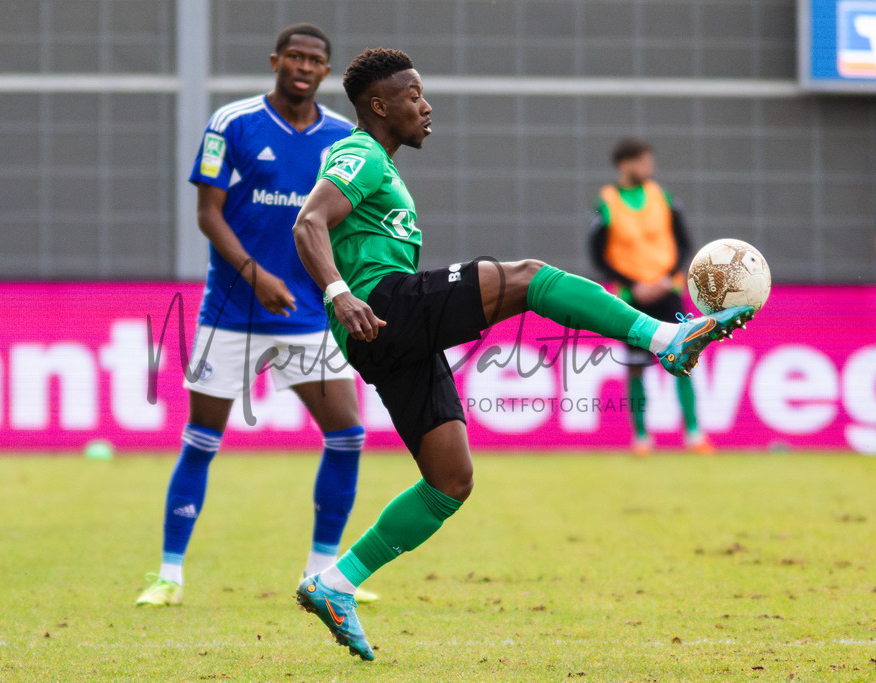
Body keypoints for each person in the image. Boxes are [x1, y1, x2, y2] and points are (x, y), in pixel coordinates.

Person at [290, 47, 754, 660]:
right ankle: (667, 337)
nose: (426, 106)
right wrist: (340, 292)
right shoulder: (360, 154)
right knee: (529, 277)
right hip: (381, 305)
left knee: (450, 482)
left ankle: (334, 584)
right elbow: (308, 223)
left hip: (385, 333)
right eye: (412, 96)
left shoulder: (382, 164)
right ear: (379, 105)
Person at [136, 23, 378, 607]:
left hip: (308, 317)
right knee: (201, 439)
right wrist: (256, 275)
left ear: (326, 71)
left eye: (315, 59)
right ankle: (170, 574)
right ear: (276, 60)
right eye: (294, 56)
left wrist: (339, 286)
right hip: (233, 312)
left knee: (347, 436)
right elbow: (208, 214)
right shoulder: (233, 123)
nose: (303, 65)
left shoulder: (345, 138)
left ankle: (323, 573)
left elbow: (346, 223)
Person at [589, 139, 714, 456]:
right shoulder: (607, 203)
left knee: (684, 360)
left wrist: (665, 278)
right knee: (635, 366)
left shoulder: (664, 199)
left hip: (667, 293)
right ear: (625, 165)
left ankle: (694, 434)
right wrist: (632, 282)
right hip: (632, 296)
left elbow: (684, 244)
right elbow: (598, 255)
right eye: (644, 162)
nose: (650, 168)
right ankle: (642, 437)